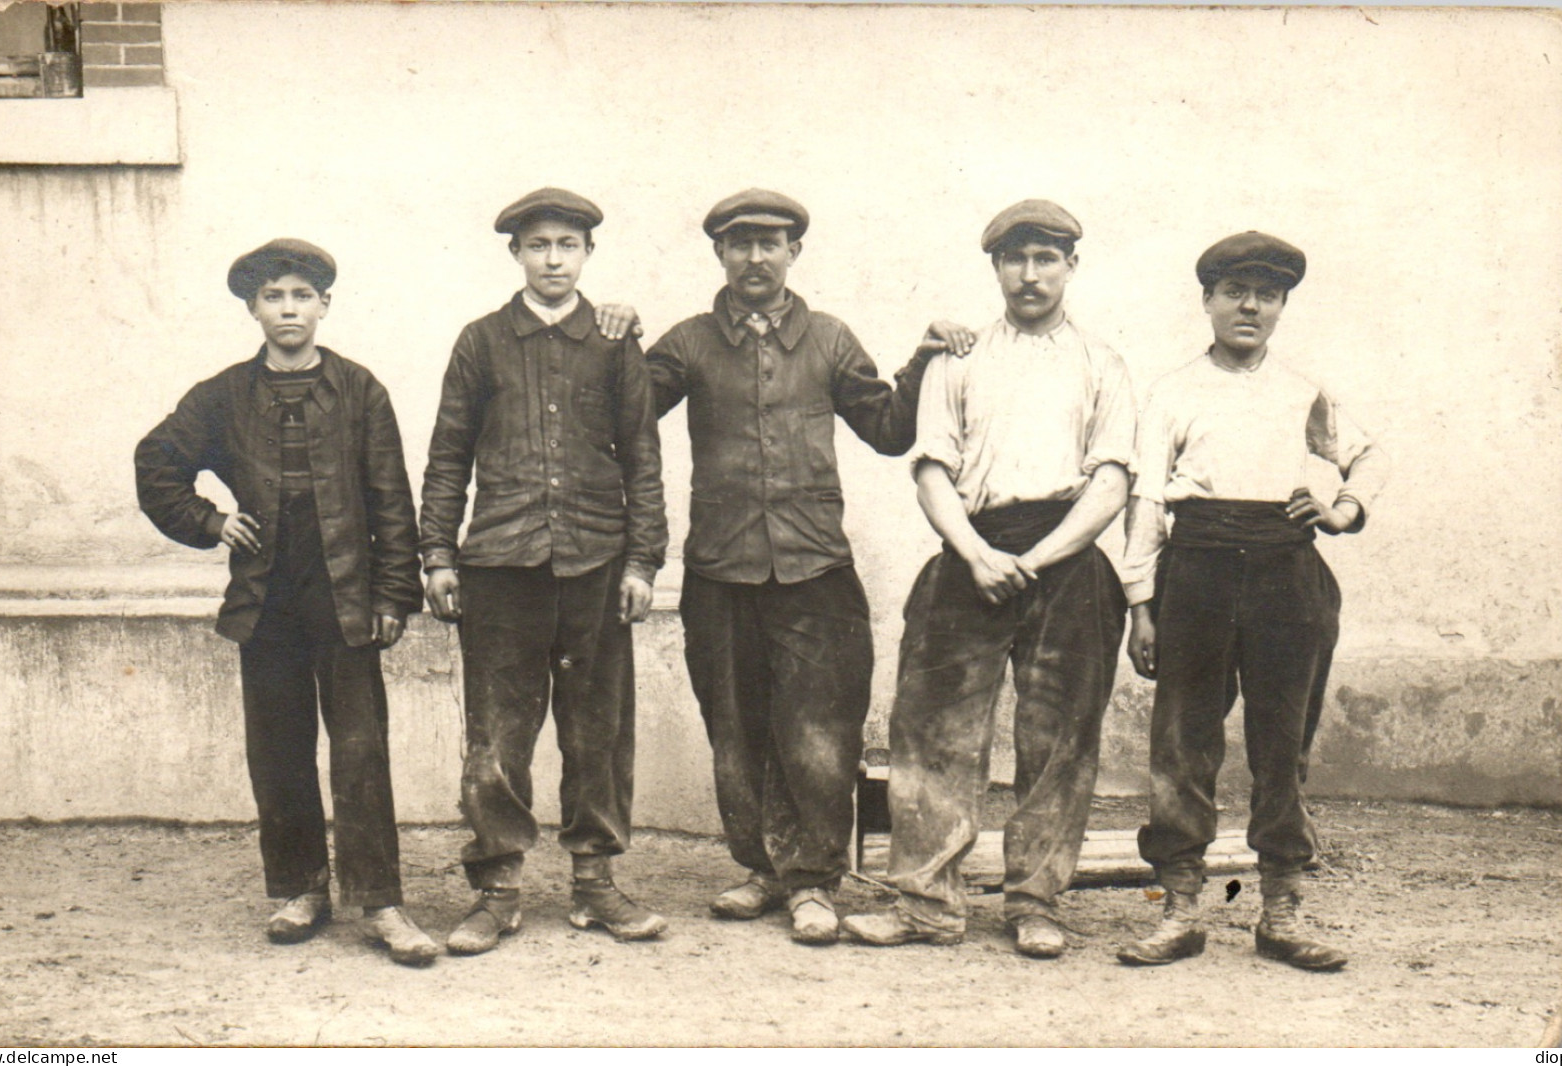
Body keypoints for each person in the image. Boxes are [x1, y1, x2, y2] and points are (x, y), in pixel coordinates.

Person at [644, 189, 954, 944]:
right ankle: (760, 870)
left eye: (770, 243)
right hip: (719, 569)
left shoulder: (828, 338)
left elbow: (885, 429)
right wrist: (610, 335)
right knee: (735, 729)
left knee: (818, 734)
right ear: (719, 253)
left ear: (794, 253)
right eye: (740, 243)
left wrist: (925, 357)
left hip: (815, 568)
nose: (755, 257)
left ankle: (813, 882)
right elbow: (619, 413)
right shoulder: (686, 343)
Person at [842, 200, 1135, 959]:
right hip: (970, 552)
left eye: (1045, 258)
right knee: (932, 731)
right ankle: (926, 904)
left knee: (1058, 740)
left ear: (1071, 265)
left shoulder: (1101, 362)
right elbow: (931, 467)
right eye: (1014, 259)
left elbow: (1110, 483)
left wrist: (1037, 562)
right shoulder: (958, 357)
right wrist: (974, 553)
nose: (1029, 274)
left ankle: (1035, 901)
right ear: (995, 268)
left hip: (1066, 562)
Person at [135, 238, 438, 966]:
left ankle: (382, 903)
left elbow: (392, 500)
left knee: (361, 750)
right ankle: (301, 889)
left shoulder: (360, 390)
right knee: (278, 749)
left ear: (324, 306)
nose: (289, 309)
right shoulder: (223, 396)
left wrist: (395, 593)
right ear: (253, 309)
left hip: (346, 594)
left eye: (302, 295)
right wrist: (211, 522)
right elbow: (157, 462)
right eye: (274, 297)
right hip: (266, 594)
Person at [1114, 232, 1389, 971]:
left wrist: (1341, 509)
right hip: (1195, 568)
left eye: (1265, 294)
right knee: (1181, 743)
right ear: (1206, 301)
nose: (1248, 306)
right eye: (1233, 290)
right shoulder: (1170, 391)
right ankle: (1176, 911)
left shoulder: (1303, 392)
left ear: (1280, 307)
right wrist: (1139, 602)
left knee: (1281, 746)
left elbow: (1367, 455)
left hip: (1284, 574)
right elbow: (1144, 498)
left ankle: (1281, 913)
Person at [418, 188, 668, 953]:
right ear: (515, 256)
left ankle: (595, 886)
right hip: (499, 562)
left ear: (587, 253)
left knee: (597, 733)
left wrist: (642, 562)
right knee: (497, 736)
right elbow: (447, 456)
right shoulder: (481, 341)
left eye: (567, 245)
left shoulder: (615, 342)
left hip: (595, 563)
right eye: (538, 246)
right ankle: (497, 890)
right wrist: (436, 553)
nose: (553, 259)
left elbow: (644, 462)